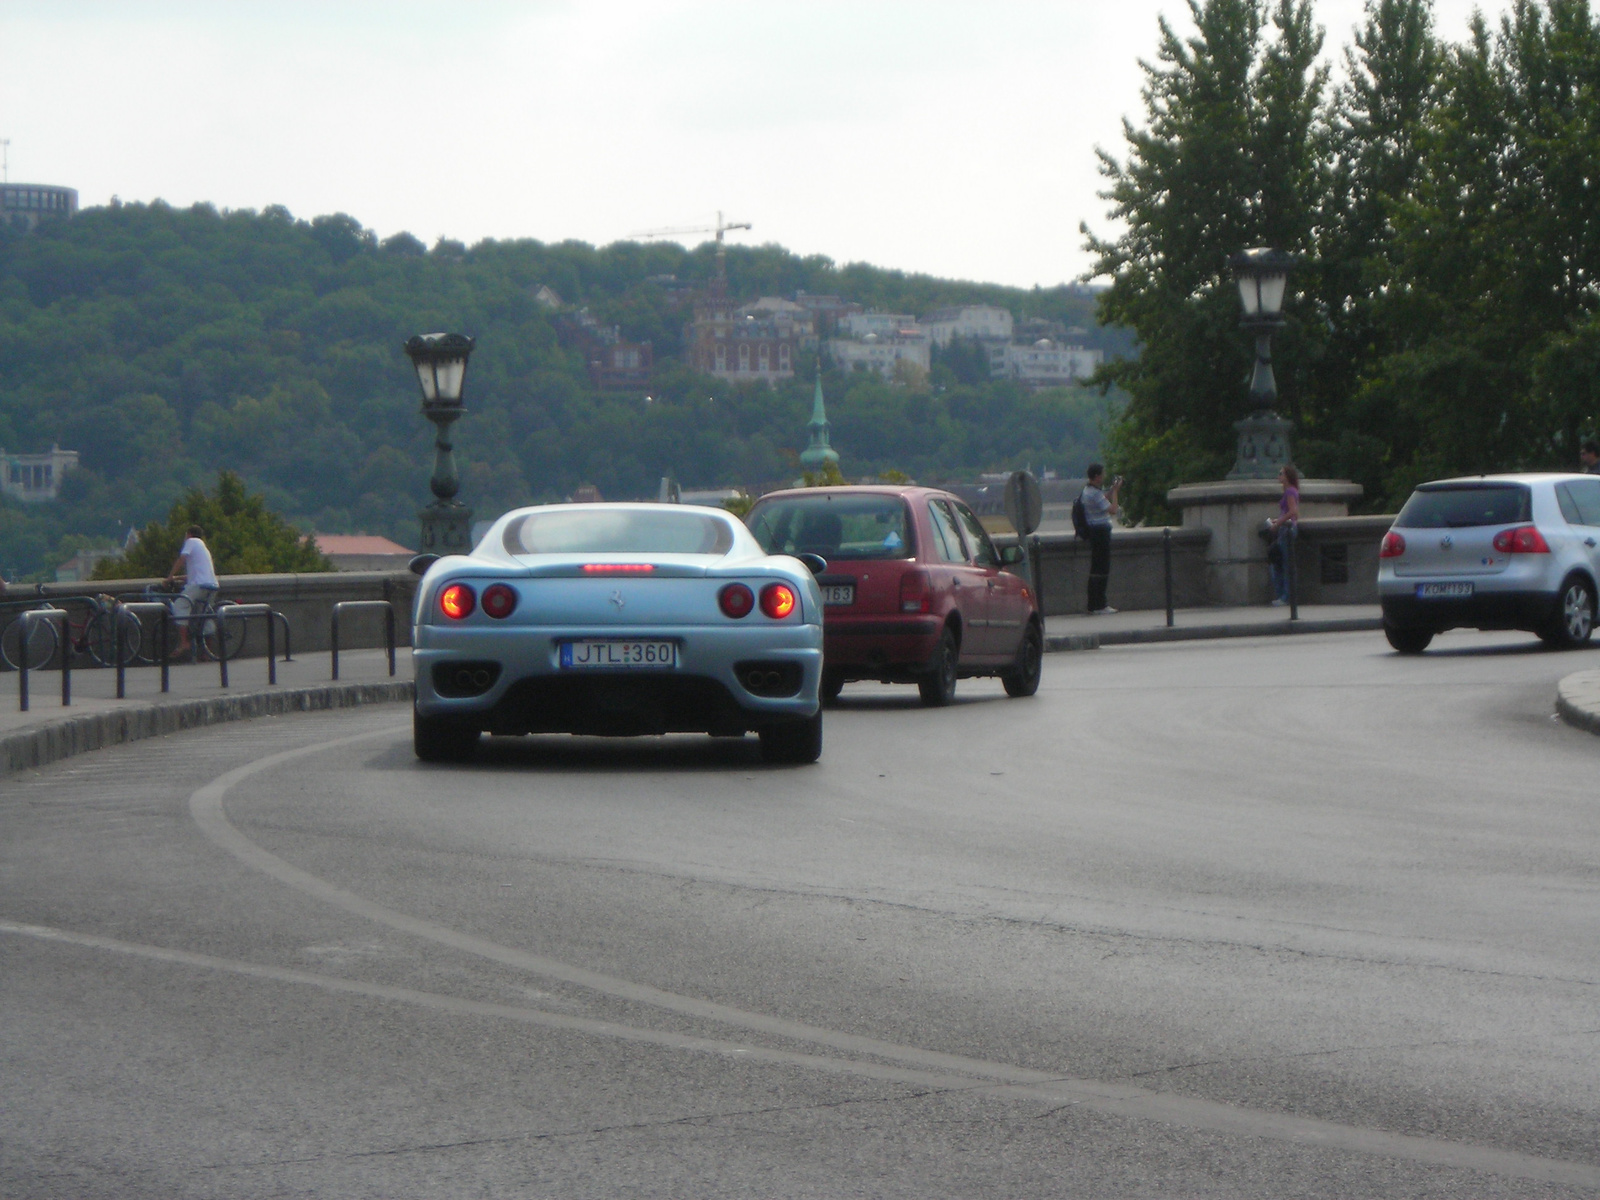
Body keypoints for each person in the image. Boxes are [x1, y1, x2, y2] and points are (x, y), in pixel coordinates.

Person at [165, 524, 219, 657]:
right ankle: (208, 652)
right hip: (211, 585)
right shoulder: (203, 547)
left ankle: (184, 643)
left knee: (180, 606)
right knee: (203, 615)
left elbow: (182, 559)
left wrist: (170, 576)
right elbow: (196, 573)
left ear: (189, 534)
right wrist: (178, 578)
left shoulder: (191, 541)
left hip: (199, 586)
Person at [1081, 464, 1122, 615]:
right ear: (1097, 476)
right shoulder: (1093, 493)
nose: (1104, 476)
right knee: (1102, 569)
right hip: (1100, 533)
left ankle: (1094, 604)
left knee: (1096, 569)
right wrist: (1116, 492)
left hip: (1095, 532)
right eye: (1102, 474)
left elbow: (1103, 499)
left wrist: (1111, 490)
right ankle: (1099, 604)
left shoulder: (1088, 491)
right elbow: (1113, 509)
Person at [1267, 464, 1301, 607]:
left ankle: (1285, 596)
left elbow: (1293, 511)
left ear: (1288, 476)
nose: (1279, 476)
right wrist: (1277, 520)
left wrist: (1278, 523)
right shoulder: (1290, 491)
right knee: (1281, 563)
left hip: (1287, 530)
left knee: (1283, 565)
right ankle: (1285, 596)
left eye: (1281, 473)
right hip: (1287, 528)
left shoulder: (1289, 492)